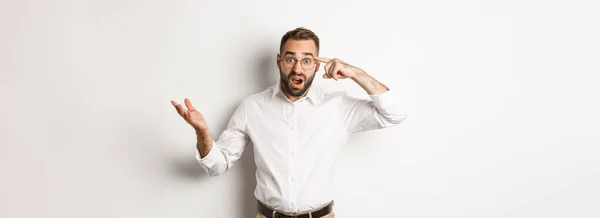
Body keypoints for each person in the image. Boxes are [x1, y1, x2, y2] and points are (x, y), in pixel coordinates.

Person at [171, 27, 408, 218]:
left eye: (307, 61)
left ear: (317, 66)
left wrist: (356, 73)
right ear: (278, 61)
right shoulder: (252, 107)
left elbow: (394, 114)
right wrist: (202, 131)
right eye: (290, 59)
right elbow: (216, 166)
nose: (297, 68)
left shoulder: (338, 107)